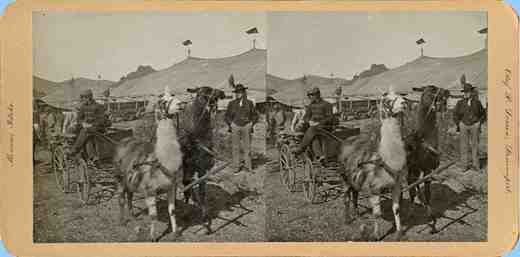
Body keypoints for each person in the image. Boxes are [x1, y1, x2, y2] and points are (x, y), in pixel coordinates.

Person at [225, 84, 259, 173]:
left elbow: (255, 115)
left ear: (244, 92)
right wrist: (231, 124)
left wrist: (251, 123)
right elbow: (227, 116)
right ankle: (236, 167)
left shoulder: (250, 103)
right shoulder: (231, 103)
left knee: (247, 147)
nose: (238, 94)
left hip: (246, 126)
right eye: (236, 92)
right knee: (236, 147)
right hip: (235, 126)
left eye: (240, 92)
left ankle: (248, 166)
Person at [453, 83, 486, 172]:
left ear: (471, 92)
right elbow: (455, 114)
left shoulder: (477, 103)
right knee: (464, 146)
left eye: (468, 92)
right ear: (463, 93)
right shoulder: (459, 103)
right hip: (463, 125)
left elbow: (483, 114)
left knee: (474, 145)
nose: (466, 94)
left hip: (474, 126)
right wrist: (459, 124)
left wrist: (479, 123)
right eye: (465, 92)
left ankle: (476, 165)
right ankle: (464, 166)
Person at [292, 87, 334, 157]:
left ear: (318, 95)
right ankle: (319, 156)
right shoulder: (311, 106)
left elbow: (330, 118)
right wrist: (309, 121)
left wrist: (319, 123)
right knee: (314, 137)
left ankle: (301, 148)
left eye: (312, 95)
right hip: (313, 127)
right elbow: (306, 117)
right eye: (309, 95)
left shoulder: (327, 104)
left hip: (325, 127)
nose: (310, 97)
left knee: (312, 130)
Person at [68, 89, 109, 158]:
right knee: (87, 137)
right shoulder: (83, 107)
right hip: (88, 128)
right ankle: (92, 156)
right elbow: (79, 119)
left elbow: (102, 120)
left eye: (84, 98)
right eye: (82, 98)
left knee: (85, 131)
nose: (83, 99)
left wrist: (92, 125)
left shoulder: (98, 106)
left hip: (98, 128)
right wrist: (83, 123)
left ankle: (75, 149)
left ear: (88, 97)